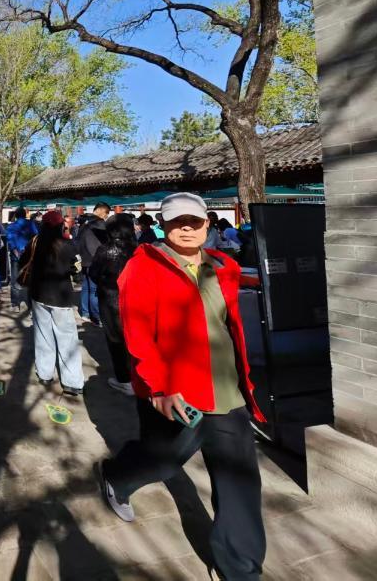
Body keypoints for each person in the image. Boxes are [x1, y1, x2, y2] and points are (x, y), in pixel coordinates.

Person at [97, 192, 266, 581]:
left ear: (208, 223)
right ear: (163, 224)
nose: (186, 228)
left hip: (226, 391)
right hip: (175, 392)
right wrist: (158, 388)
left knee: (240, 481)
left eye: (194, 220)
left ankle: (241, 569)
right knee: (163, 461)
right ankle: (117, 477)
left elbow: (230, 327)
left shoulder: (224, 266)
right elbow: (136, 332)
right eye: (177, 221)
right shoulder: (143, 266)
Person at [19, 210, 84, 396]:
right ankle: (72, 382)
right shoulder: (68, 245)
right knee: (67, 339)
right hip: (61, 297)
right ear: (59, 226)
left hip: (38, 295)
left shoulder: (35, 243)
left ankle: (45, 373)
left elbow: (23, 262)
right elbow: (76, 271)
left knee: (43, 335)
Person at [89, 213, 138, 395]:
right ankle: (137, 376)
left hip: (111, 299)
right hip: (134, 298)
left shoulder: (105, 250)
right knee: (134, 338)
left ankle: (124, 379)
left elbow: (94, 273)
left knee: (116, 339)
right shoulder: (138, 248)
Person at [77, 202, 111, 326]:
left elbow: (78, 241)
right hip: (95, 260)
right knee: (94, 290)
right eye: (107, 213)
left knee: (86, 288)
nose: (107, 216)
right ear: (102, 211)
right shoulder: (99, 224)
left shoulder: (84, 224)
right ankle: (96, 317)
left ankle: (85, 313)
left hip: (84, 260)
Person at [6, 206, 38, 313]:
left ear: (16, 215)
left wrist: (16, 252)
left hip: (16, 255)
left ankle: (15, 304)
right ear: (25, 214)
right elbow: (36, 237)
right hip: (29, 256)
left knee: (15, 279)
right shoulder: (31, 224)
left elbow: (10, 241)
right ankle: (31, 306)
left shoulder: (11, 226)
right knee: (31, 279)